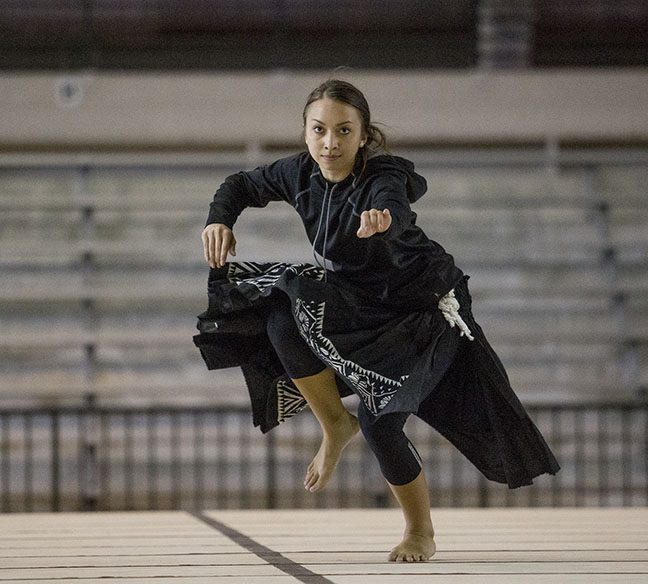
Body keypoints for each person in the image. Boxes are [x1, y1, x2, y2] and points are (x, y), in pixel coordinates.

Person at [196, 79, 559, 562]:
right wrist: (219, 218)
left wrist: (383, 216)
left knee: (379, 419)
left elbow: (393, 197)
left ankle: (419, 532)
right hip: (359, 299)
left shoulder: (381, 175)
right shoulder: (297, 173)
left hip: (423, 309)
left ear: (363, 136)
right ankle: (333, 425)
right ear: (305, 133)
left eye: (344, 131)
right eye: (319, 130)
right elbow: (239, 184)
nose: (330, 143)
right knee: (279, 305)